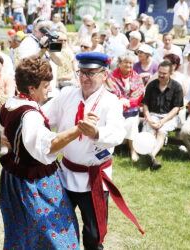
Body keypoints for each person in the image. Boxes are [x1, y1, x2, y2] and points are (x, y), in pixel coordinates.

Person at [43, 52, 144, 249]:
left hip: (94, 178)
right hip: (65, 174)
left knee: (93, 233)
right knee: (60, 227)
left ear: (104, 75)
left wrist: (96, 132)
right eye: (81, 72)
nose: (84, 78)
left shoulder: (111, 101)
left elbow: (117, 134)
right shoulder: (66, 95)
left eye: (90, 73)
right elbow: (44, 118)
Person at [0, 56, 80, 249]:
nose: (49, 89)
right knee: (58, 234)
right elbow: (48, 146)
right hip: (34, 184)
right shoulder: (30, 115)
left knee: (22, 232)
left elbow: (5, 128)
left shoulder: (11, 103)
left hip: (13, 178)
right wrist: (78, 130)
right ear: (32, 88)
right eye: (45, 85)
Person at [142, 61, 184, 170]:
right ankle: (152, 158)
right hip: (152, 114)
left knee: (161, 133)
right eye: (159, 72)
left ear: (170, 73)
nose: (161, 75)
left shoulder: (177, 87)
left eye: (164, 73)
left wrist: (163, 121)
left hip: (169, 116)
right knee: (150, 133)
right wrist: (148, 118)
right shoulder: (151, 85)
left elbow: (176, 108)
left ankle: (151, 155)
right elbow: (145, 104)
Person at [106, 51, 145, 162]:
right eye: (126, 62)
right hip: (115, 110)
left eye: (131, 63)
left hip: (131, 110)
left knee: (132, 123)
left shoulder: (136, 76)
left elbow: (139, 94)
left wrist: (128, 102)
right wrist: (119, 100)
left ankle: (133, 151)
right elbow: (108, 93)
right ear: (119, 63)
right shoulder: (111, 76)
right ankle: (108, 151)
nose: (129, 65)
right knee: (111, 123)